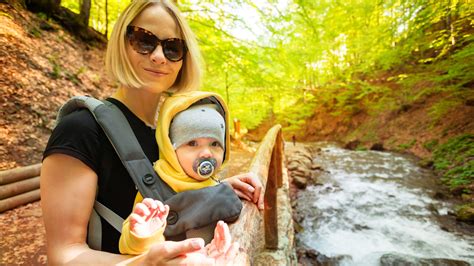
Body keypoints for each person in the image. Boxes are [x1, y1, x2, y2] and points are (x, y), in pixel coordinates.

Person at [40, 0, 264, 264]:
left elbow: (166, 200)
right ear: (121, 45)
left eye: (172, 47)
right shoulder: (81, 130)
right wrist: (145, 263)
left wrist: (218, 190)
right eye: (144, 41)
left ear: (183, 59)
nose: (159, 56)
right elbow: (63, 253)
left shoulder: (165, 135)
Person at [119, 91, 238, 255]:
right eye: (193, 143)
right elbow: (126, 243)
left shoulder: (216, 183)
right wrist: (142, 236)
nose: (206, 153)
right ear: (171, 149)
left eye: (215, 144)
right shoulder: (156, 186)